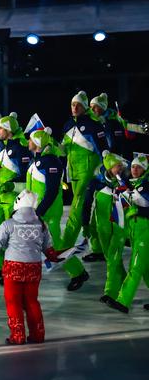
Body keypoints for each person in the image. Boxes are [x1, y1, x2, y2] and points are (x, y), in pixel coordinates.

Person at [0, 191, 62, 344]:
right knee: (31, 301)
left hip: (13, 268)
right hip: (34, 268)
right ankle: (38, 335)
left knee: (13, 302)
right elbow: (48, 248)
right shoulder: (41, 224)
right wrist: (56, 257)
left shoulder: (8, 224)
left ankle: (18, 336)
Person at [26, 128, 85, 290]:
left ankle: (78, 273)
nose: (28, 142)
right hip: (40, 211)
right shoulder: (39, 159)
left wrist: (40, 211)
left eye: (31, 139)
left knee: (56, 247)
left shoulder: (50, 161)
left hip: (49, 212)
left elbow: (51, 191)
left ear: (37, 143)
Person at [60, 91, 109, 267]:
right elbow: (63, 151)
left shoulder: (94, 125)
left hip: (88, 175)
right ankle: (97, 247)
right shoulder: (67, 125)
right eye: (73, 104)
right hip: (73, 174)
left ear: (86, 107)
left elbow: (104, 151)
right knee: (85, 211)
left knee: (76, 211)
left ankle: (64, 248)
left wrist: (103, 172)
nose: (75, 107)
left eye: (79, 104)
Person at [0, 113, 31, 281]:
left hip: (13, 200)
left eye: (0, 128)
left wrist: (9, 185)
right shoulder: (2, 147)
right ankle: (1, 268)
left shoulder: (20, 147)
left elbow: (25, 175)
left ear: (9, 130)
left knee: (13, 240)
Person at [81, 151, 129, 304]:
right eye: (117, 166)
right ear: (109, 167)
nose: (120, 169)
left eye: (121, 166)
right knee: (112, 258)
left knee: (113, 258)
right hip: (102, 228)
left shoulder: (126, 181)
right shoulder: (96, 183)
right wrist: (85, 224)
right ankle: (125, 285)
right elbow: (86, 204)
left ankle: (110, 293)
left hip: (120, 227)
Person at [109, 154, 149, 312]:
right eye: (133, 166)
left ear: (145, 169)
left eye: (139, 167)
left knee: (136, 267)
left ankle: (122, 301)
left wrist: (138, 210)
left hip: (145, 231)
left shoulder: (146, 185)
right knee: (146, 269)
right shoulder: (137, 184)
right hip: (137, 231)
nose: (135, 169)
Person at [90, 93, 131, 159]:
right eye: (91, 107)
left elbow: (118, 142)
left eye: (95, 107)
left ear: (102, 107)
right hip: (100, 156)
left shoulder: (114, 121)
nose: (92, 109)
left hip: (113, 157)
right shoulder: (93, 120)